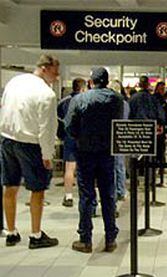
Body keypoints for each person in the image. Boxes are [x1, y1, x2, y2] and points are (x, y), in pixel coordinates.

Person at [0, 54, 60, 249]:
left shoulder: (15, 82)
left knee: (10, 186)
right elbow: (47, 128)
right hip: (31, 144)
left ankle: (11, 232)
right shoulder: (46, 93)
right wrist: (47, 155)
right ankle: (35, 235)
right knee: (37, 189)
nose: (57, 75)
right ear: (44, 68)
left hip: (7, 139)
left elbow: (4, 108)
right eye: (55, 71)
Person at [65, 67, 123, 253]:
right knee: (108, 193)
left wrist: (79, 136)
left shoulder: (80, 99)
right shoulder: (116, 99)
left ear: (91, 81)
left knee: (87, 195)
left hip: (85, 152)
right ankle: (110, 238)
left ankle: (85, 239)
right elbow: (118, 123)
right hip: (107, 152)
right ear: (107, 81)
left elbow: (70, 126)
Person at [57, 78, 87, 207]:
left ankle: (68, 196)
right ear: (83, 88)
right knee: (85, 168)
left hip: (69, 137)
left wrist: (61, 135)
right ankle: (85, 195)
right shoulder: (87, 100)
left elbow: (59, 119)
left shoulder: (64, 102)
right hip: (84, 138)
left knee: (69, 168)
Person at [108, 79, 129, 204]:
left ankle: (115, 192)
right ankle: (121, 190)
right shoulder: (125, 104)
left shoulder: (109, 103)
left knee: (113, 166)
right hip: (122, 135)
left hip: (111, 136)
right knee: (120, 165)